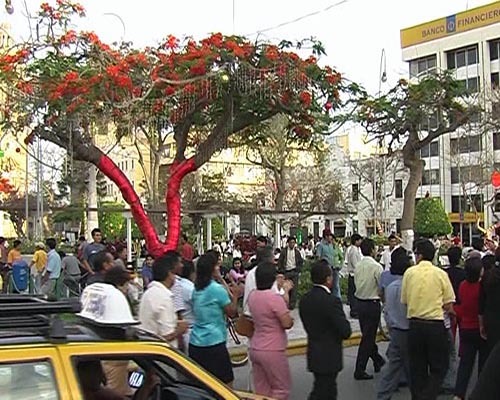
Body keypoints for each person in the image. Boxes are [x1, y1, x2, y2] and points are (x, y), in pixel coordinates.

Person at [401, 239, 455, 400]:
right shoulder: (441, 274)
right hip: (435, 325)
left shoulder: (409, 273)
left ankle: (419, 396)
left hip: (415, 325)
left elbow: (405, 300)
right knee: (440, 367)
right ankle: (429, 395)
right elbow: (448, 304)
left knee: (417, 368)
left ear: (419, 255)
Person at [299, 260, 352, 400]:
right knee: (324, 391)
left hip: (314, 352)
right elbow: (345, 331)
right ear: (328, 279)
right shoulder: (332, 301)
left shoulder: (305, 300)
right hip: (329, 355)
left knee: (323, 388)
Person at [189, 252, 238, 386]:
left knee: (203, 385)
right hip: (214, 343)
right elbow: (232, 312)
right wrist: (235, 296)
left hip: (196, 343)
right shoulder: (216, 289)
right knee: (226, 384)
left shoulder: (196, 289)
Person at [248, 262, 294, 399]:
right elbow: (287, 323)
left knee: (262, 389)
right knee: (281, 389)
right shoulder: (274, 298)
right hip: (273, 349)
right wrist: (285, 291)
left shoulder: (253, 296)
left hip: (256, 346)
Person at [376, 248, 412, 400]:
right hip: (408, 328)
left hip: (395, 328)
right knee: (412, 366)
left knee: (394, 364)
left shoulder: (390, 287)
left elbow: (385, 305)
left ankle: (383, 394)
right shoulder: (409, 287)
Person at [453, 257, 486, 400]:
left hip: (466, 327)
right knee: (483, 364)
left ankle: (458, 394)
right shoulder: (482, 287)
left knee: (465, 365)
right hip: (480, 328)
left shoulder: (462, 285)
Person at [138, 253, 188, 346]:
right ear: (169, 274)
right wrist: (179, 330)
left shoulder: (149, 293)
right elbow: (165, 336)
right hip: (161, 351)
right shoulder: (164, 297)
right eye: (174, 273)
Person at [353, 238, 385, 380]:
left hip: (360, 303)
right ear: (372, 250)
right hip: (372, 303)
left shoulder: (358, 266)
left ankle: (377, 360)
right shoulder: (377, 267)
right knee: (368, 337)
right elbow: (381, 287)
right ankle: (359, 369)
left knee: (368, 335)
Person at [277, 236, 304, 310]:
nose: (292, 244)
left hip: (294, 271)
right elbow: (280, 261)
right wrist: (281, 270)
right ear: (288, 243)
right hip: (286, 272)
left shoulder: (297, 252)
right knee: (285, 288)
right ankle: (285, 303)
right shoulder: (284, 251)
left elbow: (300, 261)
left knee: (294, 289)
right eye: (291, 242)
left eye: (293, 243)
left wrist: (299, 269)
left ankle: (292, 305)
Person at [316, 229, 343, 299]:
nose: (330, 237)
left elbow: (340, 257)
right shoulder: (321, 245)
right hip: (327, 269)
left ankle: (337, 300)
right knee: (327, 285)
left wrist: (340, 265)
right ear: (326, 236)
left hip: (335, 268)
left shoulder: (333, 245)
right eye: (329, 236)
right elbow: (318, 257)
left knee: (336, 286)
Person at [346, 233, 363, 317]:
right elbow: (355, 264)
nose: (361, 242)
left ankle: (355, 310)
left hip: (354, 274)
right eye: (359, 240)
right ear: (356, 241)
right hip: (353, 275)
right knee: (354, 294)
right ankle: (354, 311)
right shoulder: (353, 251)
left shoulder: (355, 250)